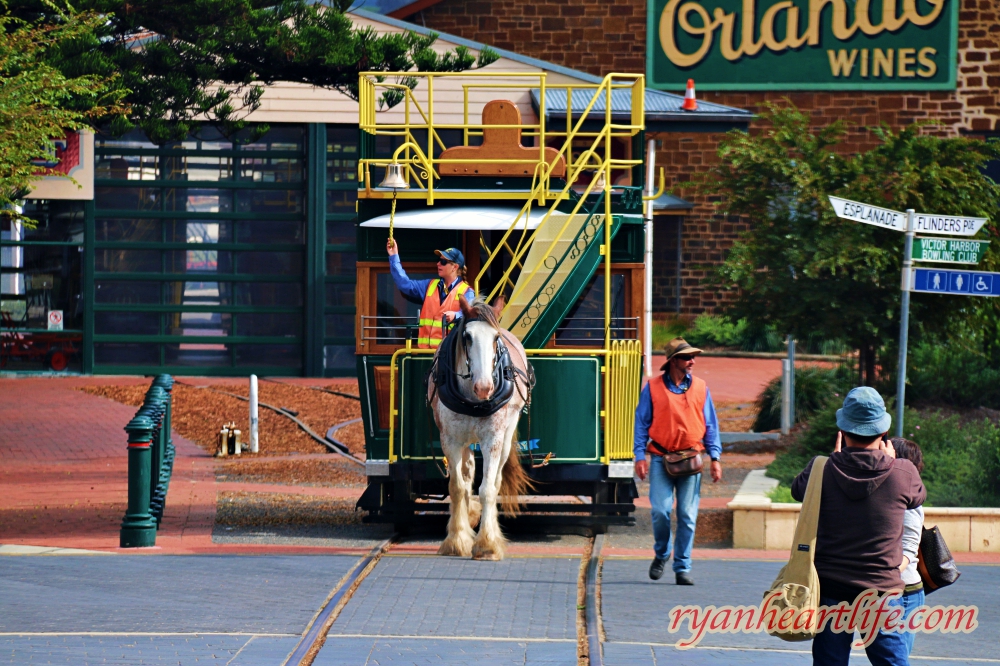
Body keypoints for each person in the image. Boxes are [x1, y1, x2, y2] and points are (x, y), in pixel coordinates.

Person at [791, 387, 925, 666]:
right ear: (883, 432)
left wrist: (835, 458)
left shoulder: (821, 469)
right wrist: (892, 459)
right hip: (880, 592)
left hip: (831, 590)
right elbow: (917, 498)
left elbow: (797, 490)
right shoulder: (903, 472)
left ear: (842, 430)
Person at [633, 337, 723, 585]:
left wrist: (715, 457)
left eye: (693, 357)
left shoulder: (701, 387)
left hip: (692, 459)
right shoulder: (652, 388)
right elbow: (641, 424)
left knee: (687, 514)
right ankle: (662, 554)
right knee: (660, 511)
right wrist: (640, 456)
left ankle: (682, 567)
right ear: (673, 361)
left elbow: (711, 426)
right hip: (661, 458)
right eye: (686, 357)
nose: (692, 361)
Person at [386, 239, 475, 349]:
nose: (438, 264)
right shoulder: (429, 285)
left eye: (443, 262)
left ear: (454, 267)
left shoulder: (467, 292)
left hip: (449, 357)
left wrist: (455, 315)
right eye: (438, 260)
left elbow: (470, 314)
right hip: (424, 354)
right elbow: (404, 285)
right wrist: (394, 256)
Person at [889, 437, 926, 658]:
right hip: (893, 587)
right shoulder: (895, 494)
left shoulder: (909, 502)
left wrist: (885, 574)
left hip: (904, 592)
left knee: (896, 657)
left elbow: (909, 549)